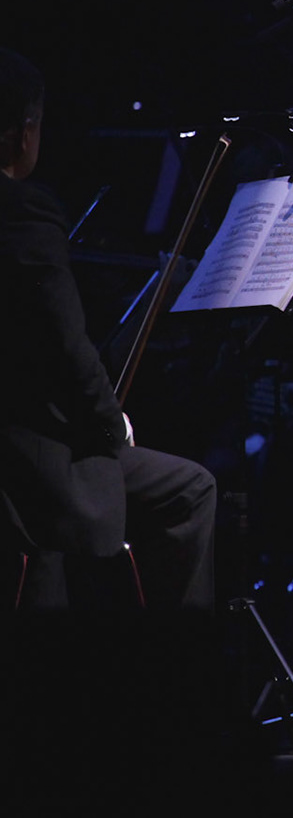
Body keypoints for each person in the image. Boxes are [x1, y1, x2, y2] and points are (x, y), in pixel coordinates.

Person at [0, 48, 216, 613]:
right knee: (191, 489)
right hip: (23, 459)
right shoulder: (21, 211)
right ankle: (173, 660)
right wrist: (110, 424)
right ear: (24, 133)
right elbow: (65, 349)